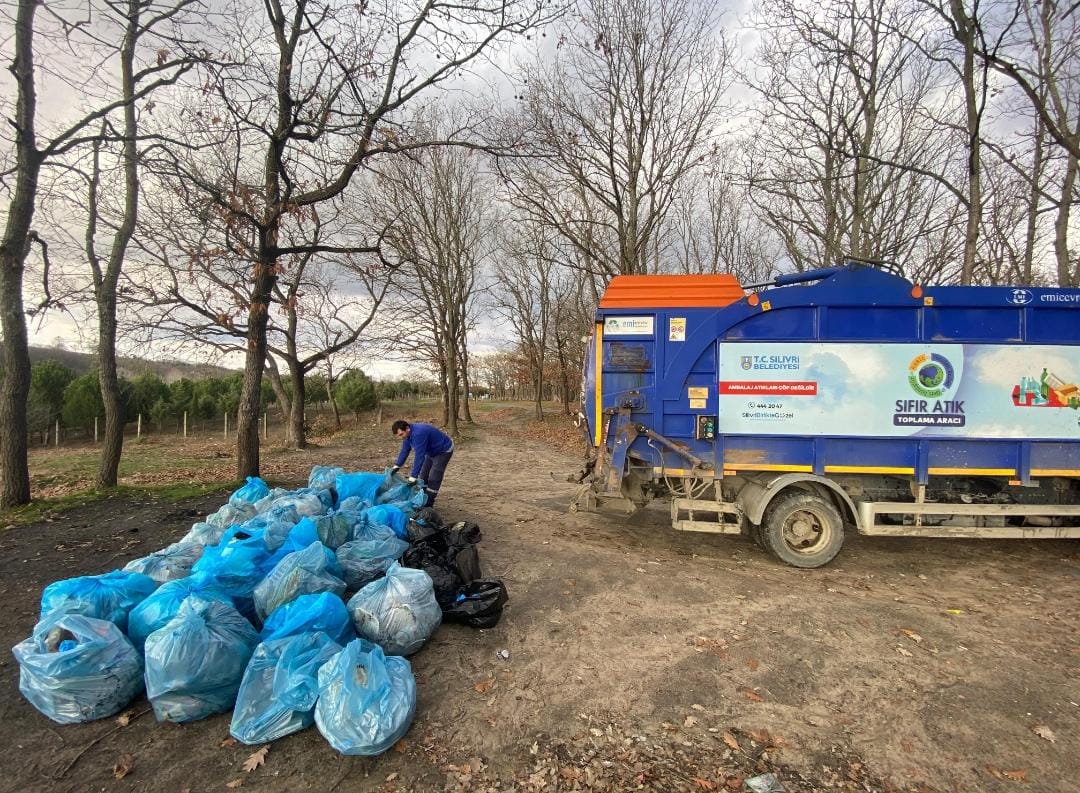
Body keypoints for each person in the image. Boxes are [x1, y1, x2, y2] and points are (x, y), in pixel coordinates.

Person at [390, 420, 454, 506]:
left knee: (434, 477)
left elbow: (419, 456)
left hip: (443, 450)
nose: (401, 437)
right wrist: (397, 465)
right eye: (399, 435)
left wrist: (413, 476)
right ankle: (422, 497)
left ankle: (429, 503)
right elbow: (405, 450)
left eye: (401, 434)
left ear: (407, 428)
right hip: (431, 451)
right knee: (423, 476)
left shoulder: (418, 433)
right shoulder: (407, 435)